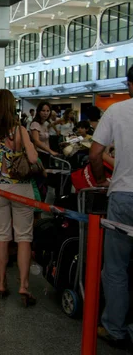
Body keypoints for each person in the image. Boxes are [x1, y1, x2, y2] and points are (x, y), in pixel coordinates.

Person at [0, 89, 39, 306]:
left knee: (1, 235)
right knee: (24, 237)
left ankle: (2, 282)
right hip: (21, 189)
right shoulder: (20, 130)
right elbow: (32, 158)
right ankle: (23, 285)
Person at [90, 66, 133, 349]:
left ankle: (115, 329)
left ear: (130, 84)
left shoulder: (117, 111)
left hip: (124, 195)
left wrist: (103, 179)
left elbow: (95, 153)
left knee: (116, 267)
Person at [29, 101, 59, 167]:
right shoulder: (35, 124)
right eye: (43, 111)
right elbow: (36, 141)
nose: (45, 113)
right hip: (38, 154)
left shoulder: (46, 123)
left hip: (46, 153)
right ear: (39, 111)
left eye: (48, 111)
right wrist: (50, 151)